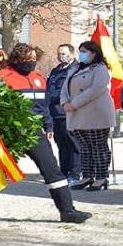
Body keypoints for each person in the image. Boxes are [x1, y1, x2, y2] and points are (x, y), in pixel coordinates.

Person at [0, 43, 91, 228]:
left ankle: (67, 211)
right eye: (26, 59)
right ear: (16, 59)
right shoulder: (0, 77)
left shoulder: (39, 78)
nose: (30, 63)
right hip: (7, 133)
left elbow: (43, 107)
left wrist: (48, 125)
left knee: (52, 169)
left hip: (33, 131)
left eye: (34, 59)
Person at [63, 41, 115, 191]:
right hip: (77, 113)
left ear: (94, 53)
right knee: (85, 147)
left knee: (98, 147)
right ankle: (86, 176)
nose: (81, 54)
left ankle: (101, 178)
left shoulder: (100, 68)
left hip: (95, 113)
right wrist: (65, 102)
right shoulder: (75, 69)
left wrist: (74, 103)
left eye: (85, 51)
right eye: (80, 51)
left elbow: (96, 89)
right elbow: (64, 88)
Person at [47, 44, 82, 183]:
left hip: (68, 111)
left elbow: (70, 91)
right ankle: (64, 170)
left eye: (64, 54)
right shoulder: (56, 70)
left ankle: (75, 172)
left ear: (72, 54)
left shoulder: (76, 69)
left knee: (72, 143)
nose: (61, 56)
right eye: (59, 53)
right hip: (55, 113)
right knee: (61, 144)